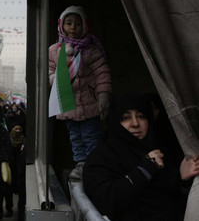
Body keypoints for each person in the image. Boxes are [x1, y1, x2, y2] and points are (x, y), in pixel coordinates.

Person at [82, 93, 199, 221]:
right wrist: (144, 169)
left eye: (141, 116)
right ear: (115, 122)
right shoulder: (102, 158)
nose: (135, 123)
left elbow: (172, 201)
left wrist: (183, 179)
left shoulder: (159, 152)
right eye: (126, 118)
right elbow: (107, 202)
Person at [48, 5, 112, 180]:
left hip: (89, 103)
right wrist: (54, 78)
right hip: (68, 103)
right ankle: (81, 164)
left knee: (91, 136)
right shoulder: (54, 50)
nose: (73, 27)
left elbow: (102, 73)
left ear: (84, 26)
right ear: (61, 25)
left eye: (77, 23)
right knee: (75, 137)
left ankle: (93, 164)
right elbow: (49, 69)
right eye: (69, 23)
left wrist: (103, 95)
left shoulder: (91, 49)